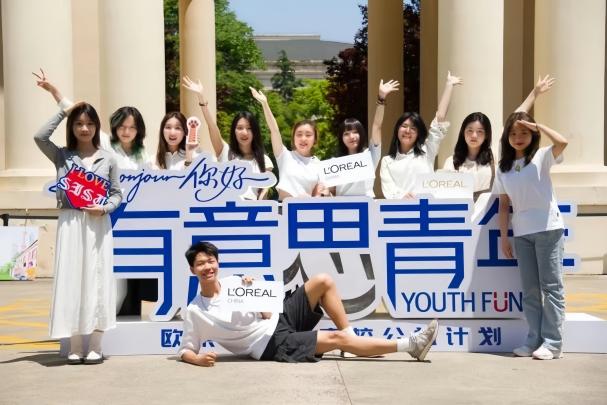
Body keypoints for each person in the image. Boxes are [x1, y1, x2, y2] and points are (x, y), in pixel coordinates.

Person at [178, 241, 439, 366]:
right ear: (192, 270)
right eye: (200, 264)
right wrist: (198, 360)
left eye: (211, 261)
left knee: (322, 280)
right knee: (335, 338)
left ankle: (352, 341)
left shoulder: (235, 282)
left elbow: (267, 314)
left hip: (279, 319)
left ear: (218, 263)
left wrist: (254, 293)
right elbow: (185, 350)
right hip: (270, 345)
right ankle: (411, 345)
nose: (207, 267)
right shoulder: (195, 311)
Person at [34, 102, 123, 364]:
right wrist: (64, 111)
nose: (85, 128)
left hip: (98, 222)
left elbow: (117, 194)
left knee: (98, 279)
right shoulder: (62, 155)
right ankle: (74, 345)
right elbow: (39, 136)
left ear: (97, 127)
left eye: (90, 124)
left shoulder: (108, 158)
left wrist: (104, 208)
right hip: (71, 221)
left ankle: (96, 344)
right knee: (72, 279)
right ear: (72, 127)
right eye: (79, 123)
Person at [495, 112, 568, 360]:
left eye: (524, 132)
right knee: (530, 291)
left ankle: (553, 343)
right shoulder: (503, 168)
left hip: (548, 229)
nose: (518, 137)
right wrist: (504, 237)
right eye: (513, 133)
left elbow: (562, 142)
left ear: (533, 134)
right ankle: (533, 340)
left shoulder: (542, 156)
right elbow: (503, 205)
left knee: (552, 288)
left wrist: (538, 125)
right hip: (522, 233)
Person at [442, 75, 556, 201]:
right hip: (461, 210)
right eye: (469, 131)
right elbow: (445, 193)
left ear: (487, 135)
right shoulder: (451, 162)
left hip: (490, 211)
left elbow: (512, 120)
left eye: (480, 132)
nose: (474, 135)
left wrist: (535, 92)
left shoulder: (494, 155)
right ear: (463, 133)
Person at [33, 69, 152, 170]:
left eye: (132, 127)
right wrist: (53, 91)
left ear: (139, 130)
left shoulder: (142, 153)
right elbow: (77, 112)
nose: (126, 132)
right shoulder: (107, 143)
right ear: (115, 126)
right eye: (122, 127)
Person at [182, 76, 274, 200]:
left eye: (249, 128)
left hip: (251, 208)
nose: (244, 132)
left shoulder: (264, 160)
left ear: (255, 132)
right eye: (240, 128)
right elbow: (212, 126)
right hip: (226, 207)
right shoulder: (225, 152)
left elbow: (264, 191)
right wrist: (201, 98)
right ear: (234, 131)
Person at [380, 71, 462, 199]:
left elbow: (440, 118)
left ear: (418, 133)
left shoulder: (427, 150)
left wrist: (449, 85)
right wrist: (402, 195)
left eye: (413, 128)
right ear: (397, 129)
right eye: (404, 126)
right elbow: (389, 189)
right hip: (401, 209)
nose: (408, 131)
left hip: (428, 209)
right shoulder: (387, 161)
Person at [250, 87, 325, 199]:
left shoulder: (319, 164)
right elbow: (274, 130)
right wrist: (265, 104)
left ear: (315, 139)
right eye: (299, 134)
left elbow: (320, 193)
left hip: (307, 208)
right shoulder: (285, 156)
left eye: (308, 135)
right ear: (293, 138)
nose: (303, 138)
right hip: (284, 208)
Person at [333, 79, 399, 197]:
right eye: (346, 134)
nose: (351, 136)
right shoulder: (335, 162)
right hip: (342, 207)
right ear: (341, 138)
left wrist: (381, 98)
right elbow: (330, 189)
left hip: (366, 206)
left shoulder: (370, 155)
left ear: (361, 134)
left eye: (355, 132)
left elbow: (377, 126)